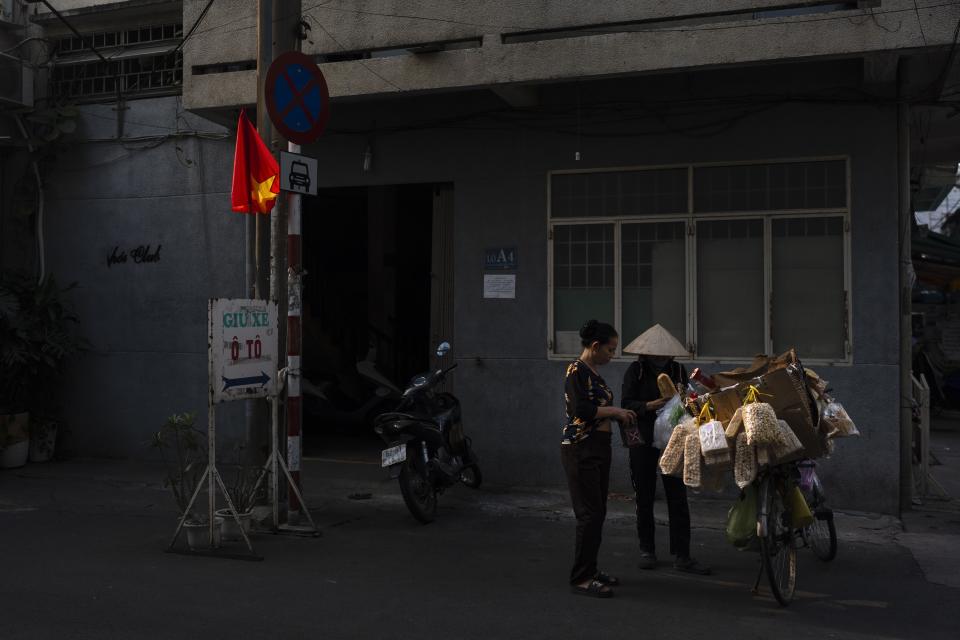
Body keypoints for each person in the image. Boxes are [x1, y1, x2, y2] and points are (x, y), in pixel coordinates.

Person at [621, 324, 711, 575]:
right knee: (645, 495)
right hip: (643, 437)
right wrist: (651, 405)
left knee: (677, 495)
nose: (660, 359)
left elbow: (686, 399)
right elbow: (626, 404)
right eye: (655, 355)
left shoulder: (677, 370)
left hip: (673, 436)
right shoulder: (636, 371)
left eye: (664, 355)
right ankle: (647, 549)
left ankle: (682, 554)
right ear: (646, 354)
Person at [561, 319, 638, 598]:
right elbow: (581, 409)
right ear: (595, 346)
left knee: (598, 512)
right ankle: (581, 578)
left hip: (599, 446)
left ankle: (591, 569)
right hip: (581, 447)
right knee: (589, 514)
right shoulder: (576, 371)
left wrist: (620, 418)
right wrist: (615, 412)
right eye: (610, 349)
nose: (612, 354)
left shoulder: (594, 372)